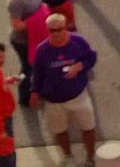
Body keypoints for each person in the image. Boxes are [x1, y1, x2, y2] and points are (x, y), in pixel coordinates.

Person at [30, 14, 101, 163]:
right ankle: (68, 156)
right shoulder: (42, 50)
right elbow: (37, 72)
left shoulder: (78, 42)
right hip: (53, 100)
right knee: (60, 131)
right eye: (51, 30)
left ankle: (90, 157)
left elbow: (92, 57)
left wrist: (80, 66)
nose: (55, 33)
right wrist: (34, 92)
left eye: (59, 29)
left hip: (78, 96)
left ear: (66, 28)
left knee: (88, 128)